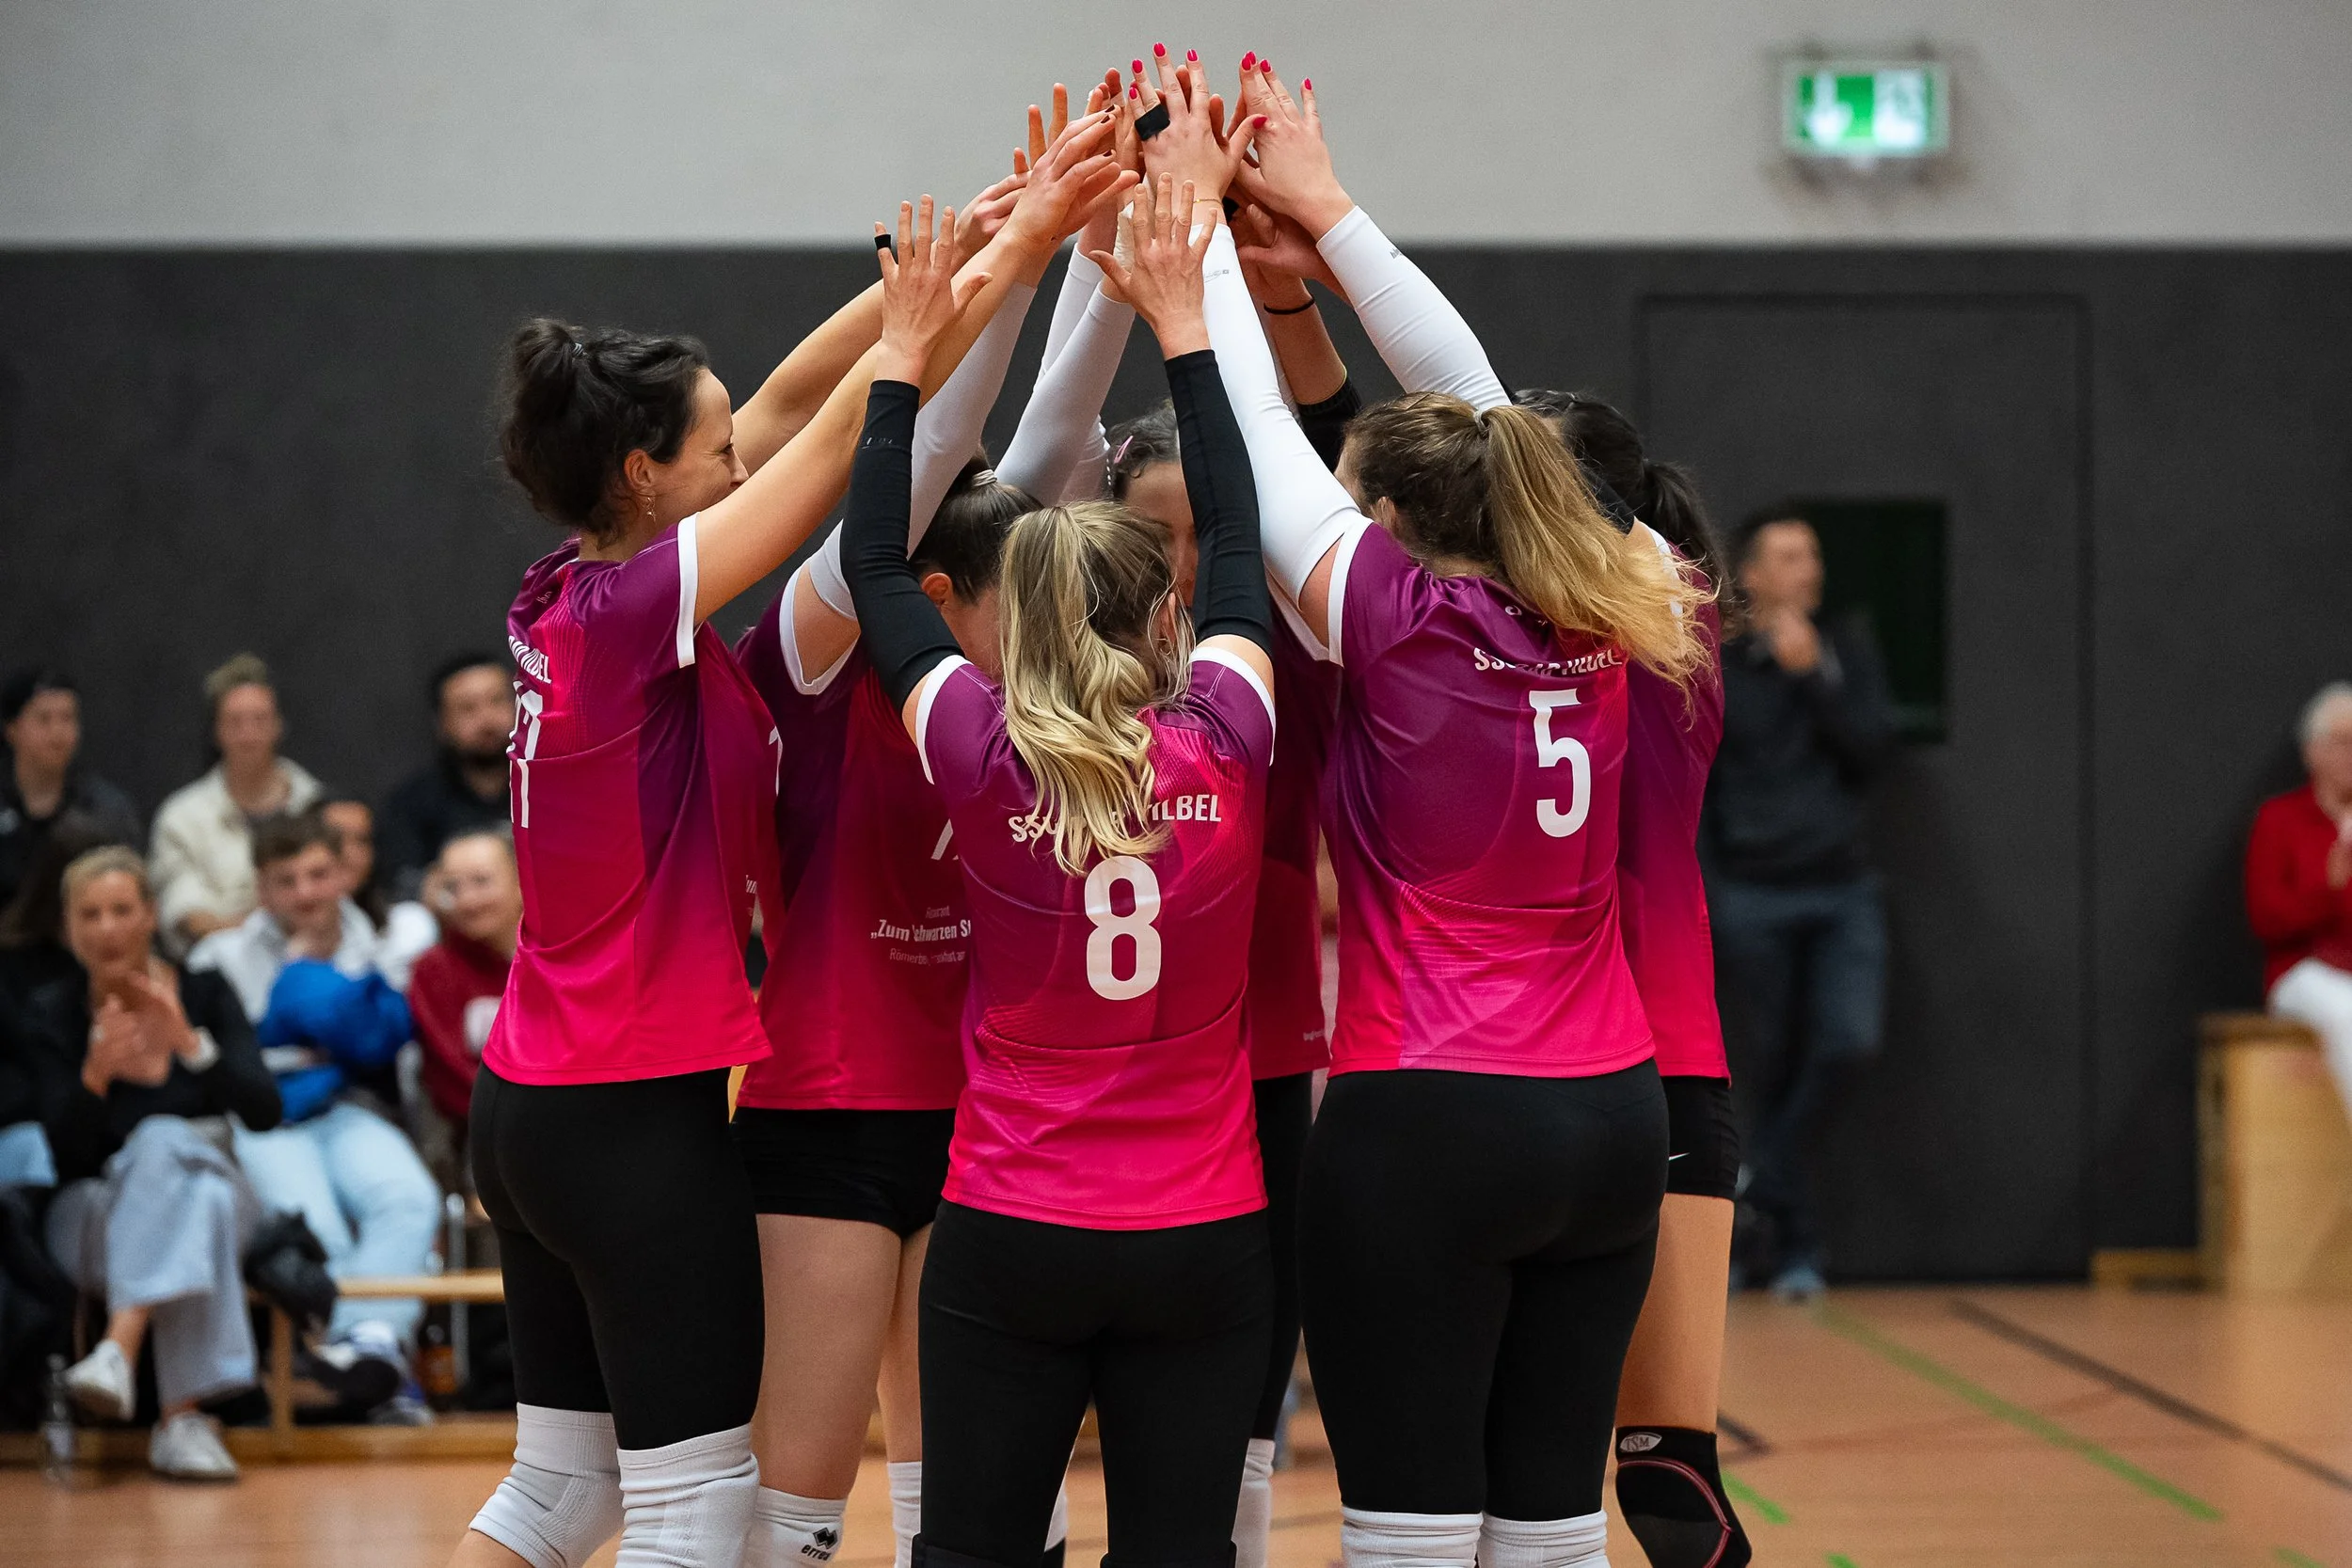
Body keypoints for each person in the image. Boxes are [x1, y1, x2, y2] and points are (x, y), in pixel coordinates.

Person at [446, 121, 1103, 1565]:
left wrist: (953, 260)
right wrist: (974, 294)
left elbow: (801, 395)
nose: (740, 449)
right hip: (626, 1110)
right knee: (693, 1510)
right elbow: (836, 459)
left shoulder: (567, 585)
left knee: (558, 1496)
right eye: (713, 443)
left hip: (532, 1099)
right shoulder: (635, 614)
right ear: (645, 469)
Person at [1201, 56, 1708, 1568]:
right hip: (1613, 1114)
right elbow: (1486, 413)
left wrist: (1194, 266)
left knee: (1410, 1533)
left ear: (1408, 527)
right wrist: (1329, 218)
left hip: (1432, 1112)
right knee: (1550, 1535)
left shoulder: (1399, 620)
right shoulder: (1617, 608)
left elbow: (1257, 449)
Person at [843, 135, 1278, 1568]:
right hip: (1203, 1233)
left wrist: (907, 355)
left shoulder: (976, 747)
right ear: (1164, 621)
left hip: (1013, 1224)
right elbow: (1237, 533)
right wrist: (1185, 319)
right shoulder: (1226, 729)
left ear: (1021, 621)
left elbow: (874, 567)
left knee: (969, 1550)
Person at [727, 103, 1124, 1568]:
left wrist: (1104, 256)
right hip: (831, 1102)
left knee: (978, 1507)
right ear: (942, 577)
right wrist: (1011, 261)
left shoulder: (1001, 673)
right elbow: (935, 450)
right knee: (798, 1503)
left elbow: (1058, 436)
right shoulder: (823, 632)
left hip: (990, 1114)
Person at [1518, 388, 1751, 1568]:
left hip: (1655, 1064)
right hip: (1520, 1072)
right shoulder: (1466, 642)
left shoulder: (1668, 619)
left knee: (1663, 1476)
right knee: (1502, 1470)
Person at [24, 847, 282, 1480]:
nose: (108, 927)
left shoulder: (202, 990)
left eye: (121, 909)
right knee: (198, 1196)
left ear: (150, 914)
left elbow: (264, 1110)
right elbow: (62, 1157)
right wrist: (95, 1077)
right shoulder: (51, 1012)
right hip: (92, 1212)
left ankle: (120, 1344)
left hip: (216, 1173)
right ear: (69, 926)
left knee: (174, 1147)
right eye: (91, 914)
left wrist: (191, 1044)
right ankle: (183, 1420)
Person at [1704, 507, 1897, 1298]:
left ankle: (1761, 1177)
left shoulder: (1846, 648)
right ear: (1751, 575)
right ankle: (1790, 1250)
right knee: (1766, 1065)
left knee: (1848, 1040)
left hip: (1840, 886)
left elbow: (1873, 749)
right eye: (1789, 555)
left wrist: (1817, 675)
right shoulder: (1719, 662)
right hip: (1751, 889)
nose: (1808, 567)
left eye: (1813, 553)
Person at [188, 811, 438, 1399]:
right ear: (261, 888)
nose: (304, 892)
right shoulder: (218, 957)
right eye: (286, 880)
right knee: (315, 1227)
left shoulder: (384, 944)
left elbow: (389, 1050)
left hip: (349, 1109)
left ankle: (360, 1350)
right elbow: (223, 1070)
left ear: (343, 874)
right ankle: (369, 1367)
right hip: (263, 1122)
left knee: (408, 1198)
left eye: (317, 874)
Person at [150, 655, 326, 955]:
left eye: (259, 720)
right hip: (221, 967)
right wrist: (264, 934)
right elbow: (187, 917)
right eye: (235, 722)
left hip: (316, 957)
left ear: (279, 726)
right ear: (216, 731)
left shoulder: (316, 803)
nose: (248, 735)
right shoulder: (181, 818)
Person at [2249, 682, 2352, 1117]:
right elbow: (2266, 919)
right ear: (2312, 751)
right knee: (2347, 1013)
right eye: (2344, 743)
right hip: (2303, 971)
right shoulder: (2281, 819)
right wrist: (2327, 890)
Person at [406, 828, 521, 1187]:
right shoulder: (434, 970)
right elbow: (450, 1076)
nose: (467, 901)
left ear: (523, 880)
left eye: (482, 882)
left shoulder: (563, 959)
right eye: (453, 888)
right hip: (487, 1135)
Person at [0, 668, 142, 912]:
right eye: (43, 719)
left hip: (86, 943)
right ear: (12, 730)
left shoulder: (107, 811)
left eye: (67, 718)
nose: (57, 733)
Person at [380, 657, 517, 902]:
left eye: (497, 701)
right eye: (468, 708)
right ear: (441, 724)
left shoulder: (556, 786)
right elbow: (405, 884)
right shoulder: (412, 803)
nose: (486, 719)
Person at [318, 792, 438, 981]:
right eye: (334, 839)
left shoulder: (409, 925)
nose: (347, 853)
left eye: (361, 840)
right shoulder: (268, 930)